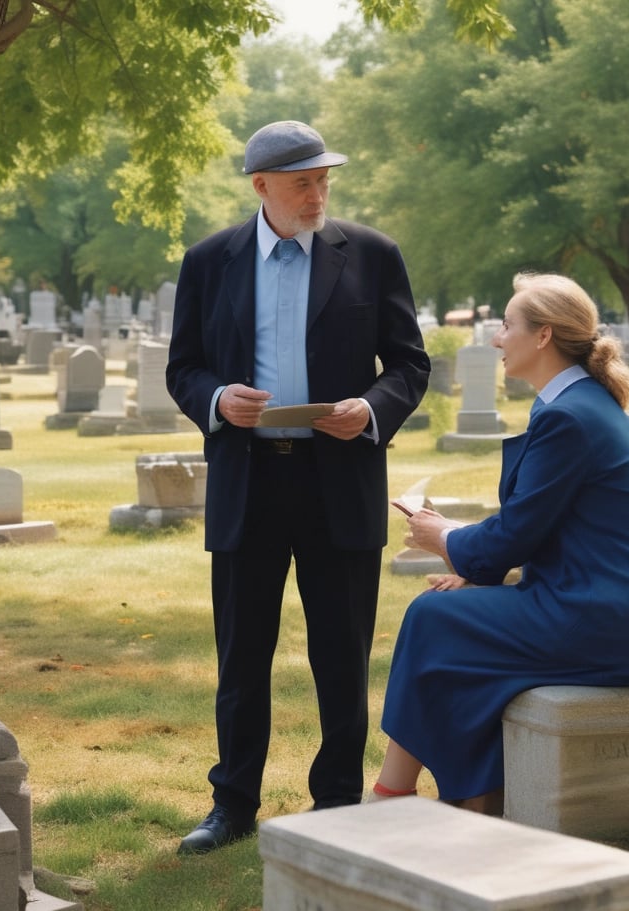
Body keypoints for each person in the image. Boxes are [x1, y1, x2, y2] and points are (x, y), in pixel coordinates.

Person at [166, 120, 430, 853]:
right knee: (241, 653)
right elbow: (182, 366)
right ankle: (232, 804)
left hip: (338, 480)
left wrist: (371, 410)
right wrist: (218, 400)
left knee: (341, 651)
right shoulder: (209, 260)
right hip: (248, 482)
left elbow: (409, 363)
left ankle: (339, 801)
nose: (317, 194)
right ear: (261, 188)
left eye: (323, 180)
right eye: (301, 182)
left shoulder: (372, 255)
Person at [372, 272, 629, 812]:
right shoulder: (575, 404)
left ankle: (397, 793)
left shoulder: (570, 416)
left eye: (507, 325)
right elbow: (545, 526)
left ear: (543, 336)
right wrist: (469, 567)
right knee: (449, 618)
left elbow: (513, 536)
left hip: (604, 622)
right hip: (603, 610)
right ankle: (472, 798)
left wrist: (441, 535)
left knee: (431, 618)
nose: (496, 337)